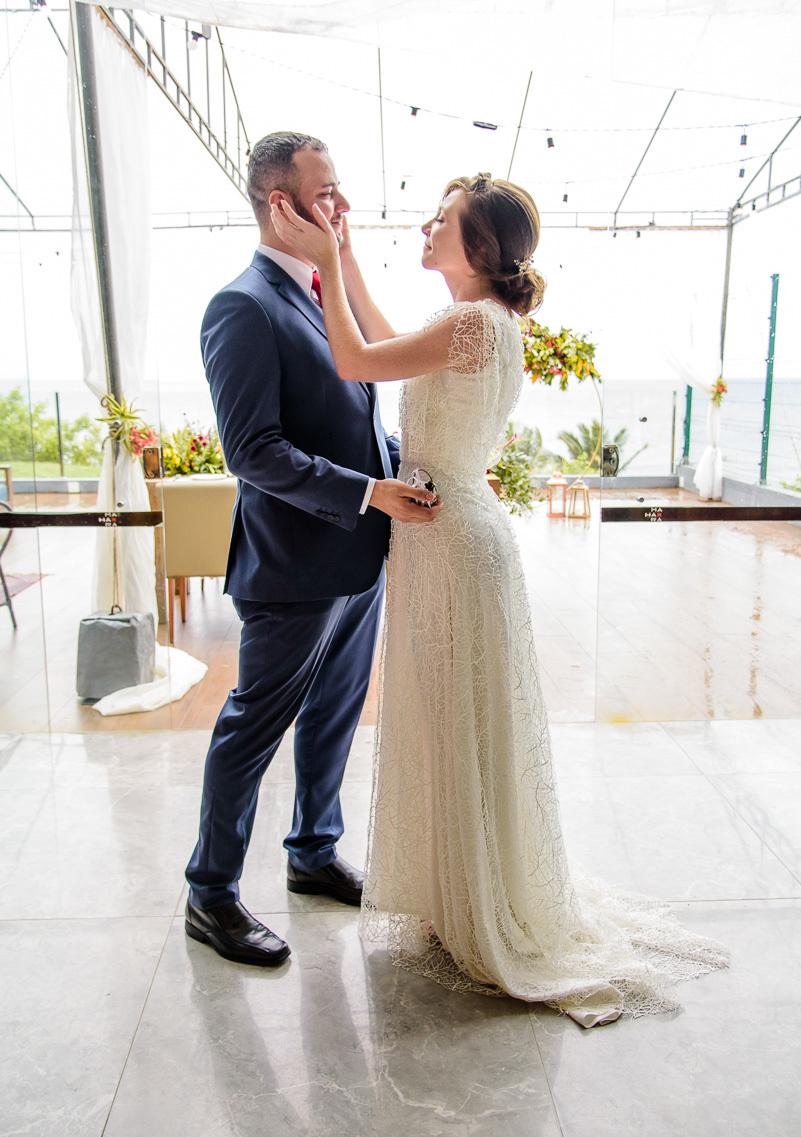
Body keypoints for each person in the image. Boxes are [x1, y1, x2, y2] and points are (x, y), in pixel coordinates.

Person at [270, 172, 731, 1024]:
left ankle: (481, 903)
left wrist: (329, 256)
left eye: (440, 218)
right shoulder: (472, 321)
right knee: (455, 721)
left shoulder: (475, 324)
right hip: (443, 535)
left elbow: (352, 360)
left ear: (477, 246)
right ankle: (463, 891)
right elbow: (378, 337)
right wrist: (342, 260)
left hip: (452, 544)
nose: (425, 223)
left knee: (459, 719)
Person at [184, 132, 439, 968]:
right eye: (326, 194)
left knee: (332, 716)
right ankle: (211, 893)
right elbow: (251, 451)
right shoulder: (242, 306)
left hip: (358, 556)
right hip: (293, 567)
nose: (342, 208)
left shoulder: (326, 294)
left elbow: (359, 418)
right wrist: (367, 492)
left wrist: (409, 477)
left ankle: (312, 852)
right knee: (252, 728)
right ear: (280, 205)